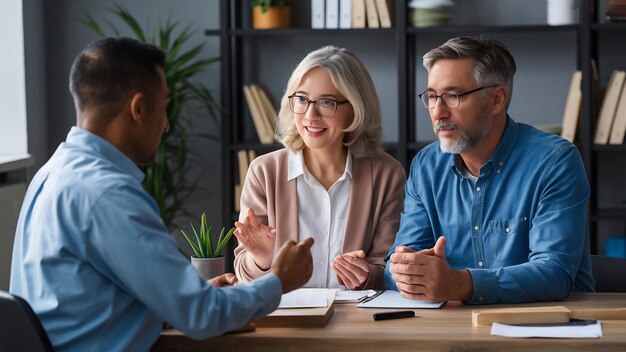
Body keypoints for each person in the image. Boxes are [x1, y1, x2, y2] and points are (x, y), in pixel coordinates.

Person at [9, 37, 314, 351]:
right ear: (139, 108)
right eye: (165, 106)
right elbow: (202, 316)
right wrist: (279, 279)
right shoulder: (110, 195)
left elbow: (82, 299)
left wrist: (178, 299)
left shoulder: (52, 173)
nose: (167, 124)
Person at [384, 36, 595, 304]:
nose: (438, 112)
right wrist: (407, 269)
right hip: (453, 328)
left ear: (496, 99)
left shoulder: (555, 162)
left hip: (550, 328)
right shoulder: (426, 166)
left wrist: (460, 284)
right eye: (432, 96)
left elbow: (555, 273)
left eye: (453, 96)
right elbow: (396, 265)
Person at [233, 46, 405, 290]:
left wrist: (368, 276)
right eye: (302, 99)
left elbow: (388, 267)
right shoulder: (264, 172)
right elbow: (243, 274)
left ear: (356, 108)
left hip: (356, 322)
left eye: (326, 102)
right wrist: (261, 260)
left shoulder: (387, 174)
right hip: (288, 321)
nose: (310, 115)